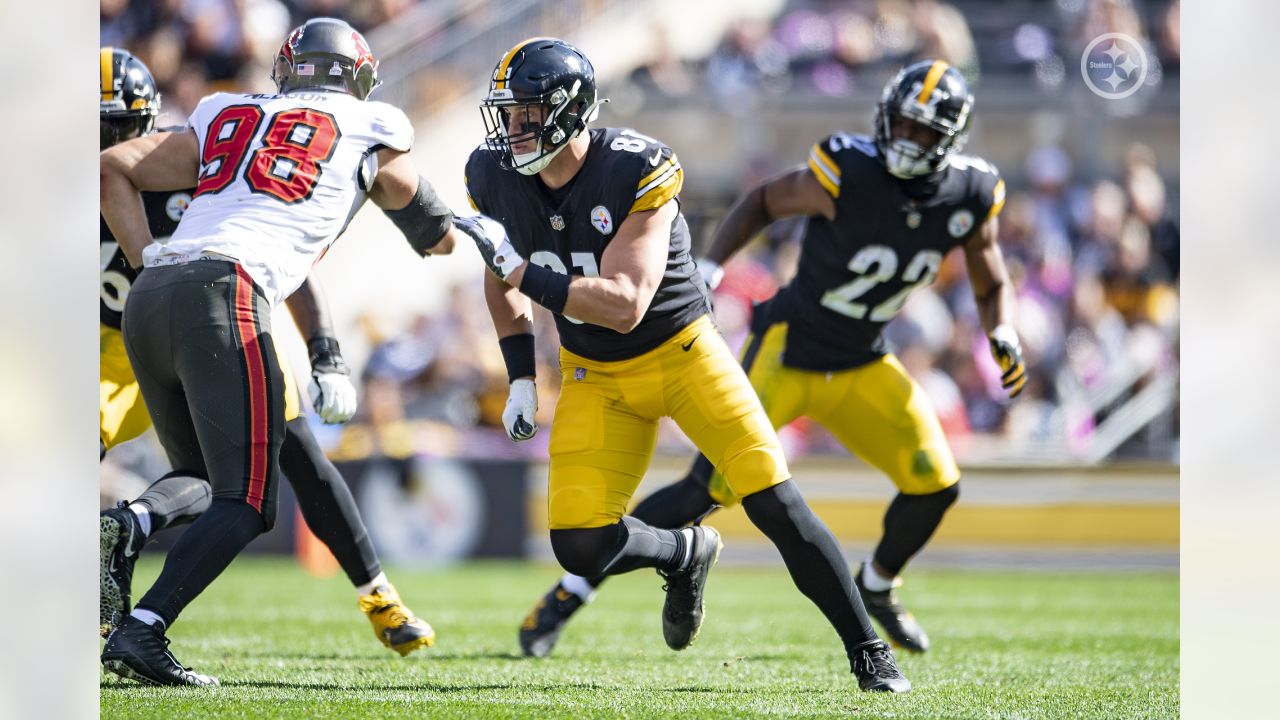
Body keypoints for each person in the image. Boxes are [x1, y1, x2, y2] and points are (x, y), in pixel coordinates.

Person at [516, 59, 1026, 659]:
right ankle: (571, 592)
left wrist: (1003, 331)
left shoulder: (971, 192)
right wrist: (712, 264)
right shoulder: (847, 167)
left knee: (936, 485)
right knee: (702, 494)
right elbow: (762, 200)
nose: (910, 141)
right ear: (885, 119)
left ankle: (880, 586)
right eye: (904, 126)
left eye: (925, 132)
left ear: (951, 140)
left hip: (864, 360)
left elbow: (990, 276)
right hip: (788, 352)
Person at [456, 37, 909, 693]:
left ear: (566, 110)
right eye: (507, 113)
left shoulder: (635, 168)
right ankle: (684, 552)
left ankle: (868, 650)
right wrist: (522, 374)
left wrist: (524, 273)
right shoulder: (492, 174)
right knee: (578, 543)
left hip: (681, 353)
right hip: (594, 374)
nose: (511, 128)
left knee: (775, 502)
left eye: (524, 112)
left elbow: (625, 304)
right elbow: (498, 278)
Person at [97, 20, 465, 686]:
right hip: (225, 294)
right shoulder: (369, 125)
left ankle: (132, 525)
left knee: (209, 482)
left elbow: (113, 168)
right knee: (249, 502)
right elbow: (433, 232)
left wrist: (148, 259)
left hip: (151, 297)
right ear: (357, 77)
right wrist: (459, 230)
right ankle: (142, 629)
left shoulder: (226, 112)